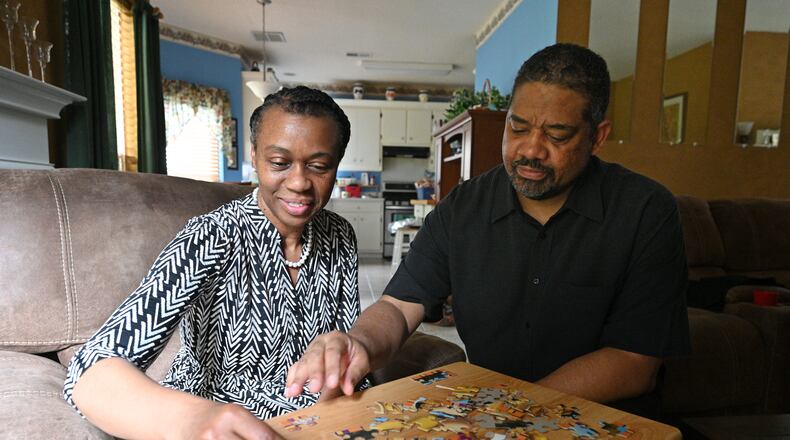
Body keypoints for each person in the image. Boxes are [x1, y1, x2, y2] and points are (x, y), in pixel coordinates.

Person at [285, 44, 690, 419]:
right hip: (491, 417)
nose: (531, 149)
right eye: (518, 127)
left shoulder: (646, 211)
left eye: (557, 135)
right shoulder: (463, 208)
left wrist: (516, 411)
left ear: (597, 137)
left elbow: (637, 362)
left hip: (601, 419)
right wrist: (359, 343)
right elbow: (397, 306)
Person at [64, 86, 362, 439]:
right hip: (224, 421)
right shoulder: (209, 236)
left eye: (319, 166)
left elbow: (343, 346)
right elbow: (89, 368)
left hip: (321, 420)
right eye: (279, 163)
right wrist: (193, 420)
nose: (299, 183)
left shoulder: (340, 235)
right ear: (254, 156)